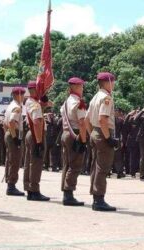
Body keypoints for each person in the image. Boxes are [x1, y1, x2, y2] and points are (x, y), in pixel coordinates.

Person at [85, 72, 118, 211]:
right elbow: (102, 119)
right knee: (102, 167)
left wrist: (92, 133)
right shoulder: (106, 98)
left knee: (96, 166)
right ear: (108, 82)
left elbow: (87, 120)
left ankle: (95, 196)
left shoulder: (95, 97)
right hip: (103, 132)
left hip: (95, 132)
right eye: (113, 81)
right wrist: (108, 138)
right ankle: (99, 199)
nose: (114, 84)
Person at [60, 77, 87, 206]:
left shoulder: (66, 102)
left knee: (67, 164)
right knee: (75, 165)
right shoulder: (78, 103)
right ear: (75, 87)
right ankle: (68, 193)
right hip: (75, 134)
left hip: (65, 133)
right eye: (81, 86)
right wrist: (83, 140)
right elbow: (82, 123)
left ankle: (65, 191)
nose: (82, 89)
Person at [23, 81, 50, 201]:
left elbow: (48, 104)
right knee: (36, 163)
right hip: (35, 135)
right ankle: (34, 190)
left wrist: (43, 102)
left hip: (31, 133)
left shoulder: (31, 102)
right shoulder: (34, 104)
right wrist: (39, 142)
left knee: (29, 162)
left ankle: (29, 188)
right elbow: (37, 122)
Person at [3, 87, 26, 196]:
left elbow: (5, 123)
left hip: (9, 133)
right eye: (22, 94)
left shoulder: (10, 106)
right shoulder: (17, 107)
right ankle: (11, 185)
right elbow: (12, 122)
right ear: (18, 95)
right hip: (14, 133)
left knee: (10, 159)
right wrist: (14, 137)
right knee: (15, 160)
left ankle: (9, 183)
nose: (23, 97)